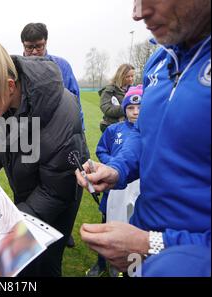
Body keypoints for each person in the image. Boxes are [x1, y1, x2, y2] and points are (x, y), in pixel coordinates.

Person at [76, 0, 211, 275]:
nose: (138, 13)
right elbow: (146, 136)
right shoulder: (158, 60)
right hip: (140, 246)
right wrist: (117, 169)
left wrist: (153, 243)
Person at [0, 39, 87, 276]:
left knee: (46, 263)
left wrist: (11, 222)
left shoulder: (59, 114)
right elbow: (7, 138)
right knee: (26, 264)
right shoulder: (4, 98)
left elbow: (56, 191)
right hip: (27, 189)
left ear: (10, 85)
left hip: (58, 197)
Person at [21, 23, 85, 249]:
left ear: (46, 43)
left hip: (61, 138)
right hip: (30, 141)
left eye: (39, 46)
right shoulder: (18, 69)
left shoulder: (62, 66)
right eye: (30, 48)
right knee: (36, 188)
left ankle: (63, 230)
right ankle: (34, 229)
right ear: (23, 47)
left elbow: (75, 102)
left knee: (64, 186)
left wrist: (80, 135)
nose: (35, 52)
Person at [86, 85, 143, 277]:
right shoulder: (113, 130)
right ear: (124, 109)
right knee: (107, 223)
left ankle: (130, 266)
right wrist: (111, 164)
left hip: (138, 188)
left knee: (134, 226)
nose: (135, 112)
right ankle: (102, 262)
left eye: (139, 108)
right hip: (114, 186)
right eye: (130, 108)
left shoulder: (150, 132)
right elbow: (101, 150)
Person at [98, 64, 136, 132]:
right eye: (127, 76)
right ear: (120, 76)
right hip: (111, 127)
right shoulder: (110, 90)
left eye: (132, 76)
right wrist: (126, 108)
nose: (131, 79)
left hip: (129, 127)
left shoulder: (134, 90)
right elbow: (106, 108)